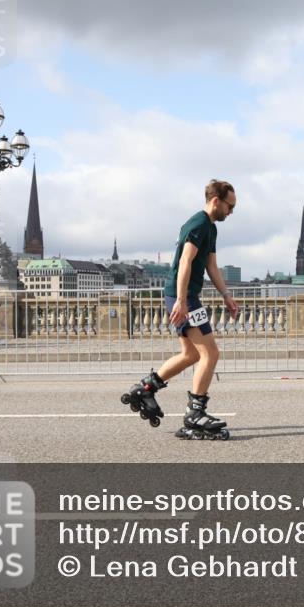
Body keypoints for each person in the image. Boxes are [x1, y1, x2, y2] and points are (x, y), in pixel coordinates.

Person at [122, 179, 239, 439]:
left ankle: (147, 389)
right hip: (183, 296)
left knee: (190, 355)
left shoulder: (211, 229)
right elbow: (185, 261)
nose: (231, 212)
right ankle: (195, 413)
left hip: (183, 295)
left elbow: (211, 266)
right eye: (230, 206)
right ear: (216, 201)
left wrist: (226, 295)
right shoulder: (197, 224)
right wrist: (183, 301)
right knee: (210, 353)